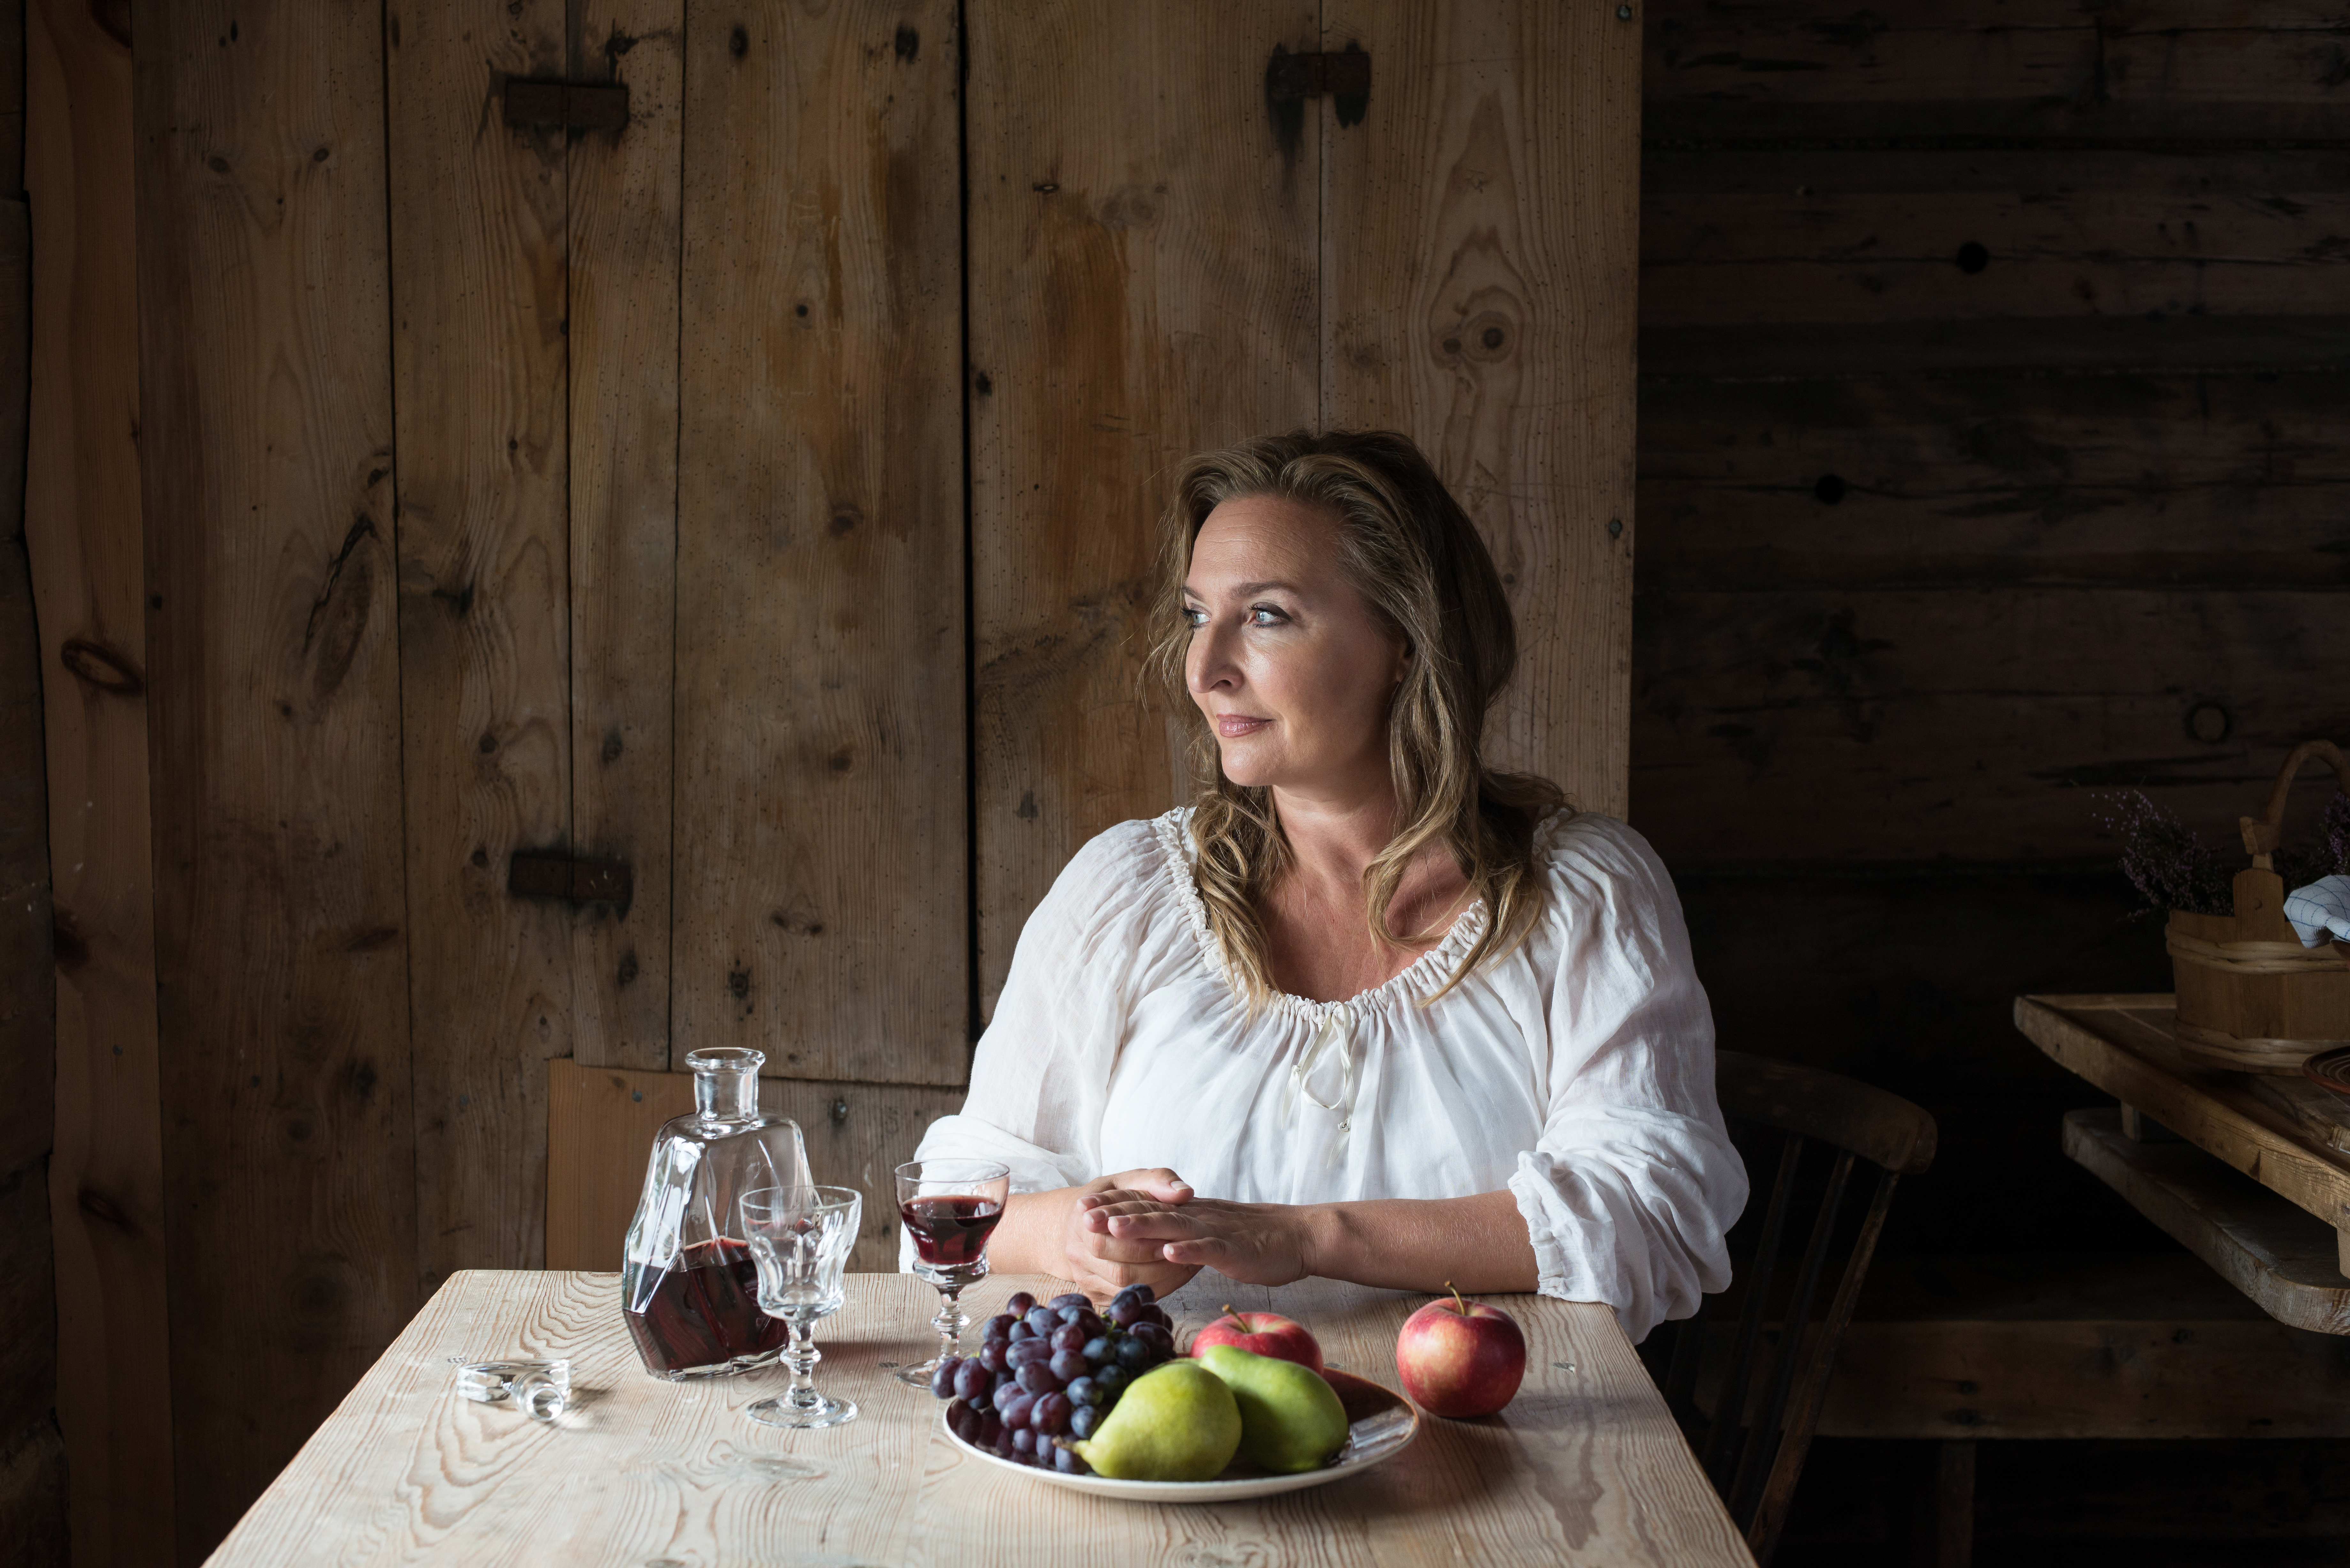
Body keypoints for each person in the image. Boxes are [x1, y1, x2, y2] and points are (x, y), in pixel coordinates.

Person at [909, 429, 1747, 1341]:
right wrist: (1072, 1236)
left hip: (1495, 1422)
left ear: (1405, 641)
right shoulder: (1130, 891)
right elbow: (955, 1200)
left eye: (1266, 616)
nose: (1205, 669)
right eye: (1196, 614)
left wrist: (1307, 1236)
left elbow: (1653, 1208)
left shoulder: (1581, 895)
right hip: (1177, 1421)